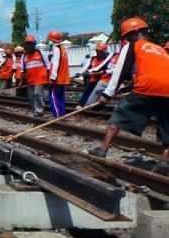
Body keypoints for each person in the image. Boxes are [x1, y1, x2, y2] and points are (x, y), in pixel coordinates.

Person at [88, 17, 169, 174]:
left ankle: (102, 149)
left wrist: (107, 94)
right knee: (167, 127)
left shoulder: (133, 46)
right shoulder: (160, 49)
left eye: (127, 36)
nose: (126, 39)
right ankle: (165, 162)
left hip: (147, 88)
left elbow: (120, 71)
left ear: (134, 33)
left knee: (119, 115)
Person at [20, 35, 48, 117]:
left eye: (30, 44)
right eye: (26, 44)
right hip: (30, 79)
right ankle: (35, 110)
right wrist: (21, 81)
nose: (28, 46)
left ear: (34, 44)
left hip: (40, 78)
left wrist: (49, 77)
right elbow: (22, 69)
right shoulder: (24, 56)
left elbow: (48, 65)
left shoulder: (40, 53)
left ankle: (39, 111)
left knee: (37, 94)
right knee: (31, 97)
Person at [78, 43, 111, 107]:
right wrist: (80, 73)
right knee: (87, 92)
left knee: (98, 95)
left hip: (102, 81)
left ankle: (95, 107)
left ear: (104, 52)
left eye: (99, 51)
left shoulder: (107, 61)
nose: (98, 53)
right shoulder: (93, 59)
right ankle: (82, 104)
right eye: (97, 51)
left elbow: (105, 72)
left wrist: (91, 73)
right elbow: (86, 67)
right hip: (92, 80)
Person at [47, 30, 70, 117]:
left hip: (57, 78)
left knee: (53, 97)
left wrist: (52, 77)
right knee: (60, 97)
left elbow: (55, 64)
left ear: (52, 40)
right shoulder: (63, 49)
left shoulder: (56, 49)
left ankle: (57, 116)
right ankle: (62, 114)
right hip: (63, 77)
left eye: (50, 39)